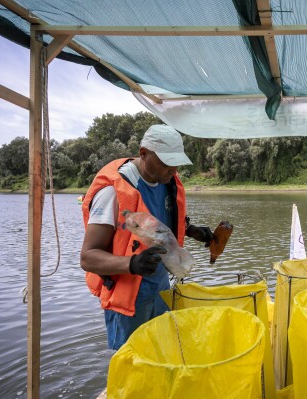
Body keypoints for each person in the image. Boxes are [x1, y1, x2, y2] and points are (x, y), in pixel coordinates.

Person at [80, 124, 214, 350]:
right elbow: (88, 258)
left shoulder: (166, 181)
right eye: (166, 162)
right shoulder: (112, 193)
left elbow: (159, 224)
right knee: (132, 363)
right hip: (128, 297)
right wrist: (132, 263)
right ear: (143, 153)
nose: (173, 170)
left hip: (158, 288)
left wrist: (192, 230)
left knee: (161, 353)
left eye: (176, 162)